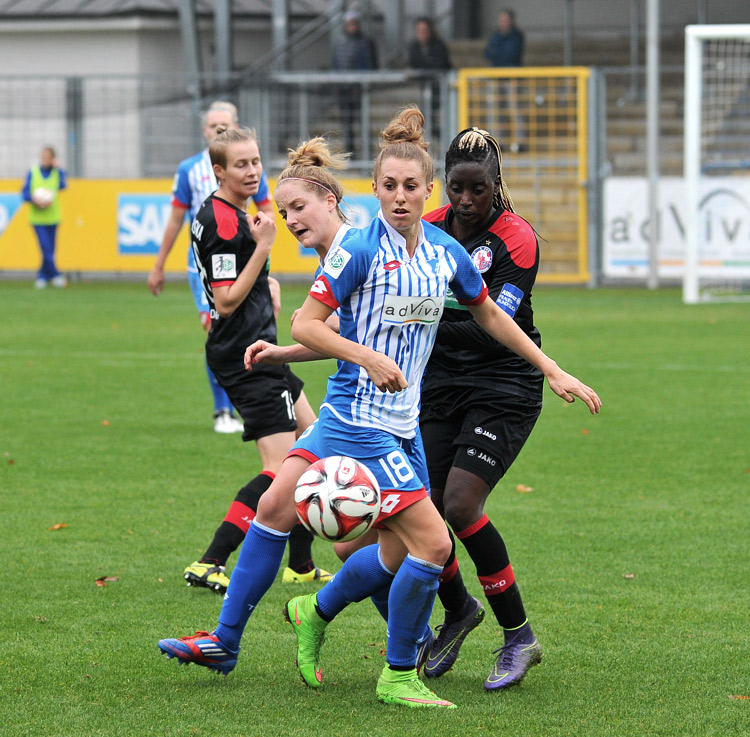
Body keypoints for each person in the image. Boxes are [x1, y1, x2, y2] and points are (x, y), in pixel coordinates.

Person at [157, 107, 601, 710]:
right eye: (388, 186)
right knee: (420, 543)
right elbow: (309, 323)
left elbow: (493, 314)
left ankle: (312, 612)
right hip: (356, 417)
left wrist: (551, 369)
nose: (399, 196)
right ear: (374, 190)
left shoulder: (446, 254)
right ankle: (269, 648)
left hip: (403, 426)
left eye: (410, 187)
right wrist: (364, 358)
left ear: (428, 192)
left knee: (384, 549)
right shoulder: (358, 249)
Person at [417, 127, 547, 691]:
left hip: (504, 384)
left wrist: (422, 314)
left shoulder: (517, 238)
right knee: (423, 510)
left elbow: (497, 330)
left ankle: (518, 636)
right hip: (439, 384)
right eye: (457, 189)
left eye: (478, 189)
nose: (467, 201)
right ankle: (457, 610)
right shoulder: (428, 230)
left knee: (462, 503)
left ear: (497, 185)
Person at [177, 124, 332, 593]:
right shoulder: (224, 220)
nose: (252, 171)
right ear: (218, 171)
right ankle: (210, 560)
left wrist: (267, 289)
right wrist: (263, 248)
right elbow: (224, 300)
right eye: (241, 164)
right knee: (282, 466)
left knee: (314, 445)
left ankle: (300, 565)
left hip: (259, 345)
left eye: (256, 161)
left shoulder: (234, 213)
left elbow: (238, 290)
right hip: (246, 354)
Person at [147, 100, 274, 434]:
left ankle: (249, 404)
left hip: (243, 258)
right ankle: (223, 410)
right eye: (212, 125)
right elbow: (176, 218)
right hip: (206, 264)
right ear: (204, 131)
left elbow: (266, 210)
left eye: (225, 123)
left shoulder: (246, 165)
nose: (218, 128)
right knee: (220, 327)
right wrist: (159, 265)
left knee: (243, 330)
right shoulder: (190, 169)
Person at [331, 9, 378, 155]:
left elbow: (371, 64)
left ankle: (367, 152)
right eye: (350, 24)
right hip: (344, 90)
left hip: (359, 89)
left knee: (362, 121)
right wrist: (337, 84)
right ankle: (352, 154)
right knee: (347, 123)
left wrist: (363, 82)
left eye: (354, 23)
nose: (352, 26)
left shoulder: (365, 43)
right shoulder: (340, 43)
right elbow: (336, 64)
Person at [22, 146, 67, 289]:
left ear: (53, 159)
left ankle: (42, 276)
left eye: (48, 157)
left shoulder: (56, 173)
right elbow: (24, 193)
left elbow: (63, 185)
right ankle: (55, 275)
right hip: (38, 218)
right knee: (46, 248)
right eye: (43, 157)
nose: (45, 160)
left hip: (53, 217)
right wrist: (34, 199)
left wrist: (58, 168)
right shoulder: (33, 172)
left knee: (50, 250)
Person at [484, 10, 526, 152]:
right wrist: (499, 54)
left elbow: (511, 55)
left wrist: (497, 54)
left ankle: (520, 142)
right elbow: (487, 53)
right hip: (496, 77)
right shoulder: (495, 35)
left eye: (506, 19)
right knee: (495, 111)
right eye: (501, 19)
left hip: (511, 78)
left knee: (515, 110)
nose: (503, 22)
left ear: (511, 20)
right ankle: (497, 141)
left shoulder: (517, 36)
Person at [406, 17, 451, 140]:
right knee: (426, 117)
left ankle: (443, 139)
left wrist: (423, 68)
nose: (422, 34)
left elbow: (441, 64)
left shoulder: (439, 46)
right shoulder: (414, 47)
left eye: (424, 30)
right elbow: (413, 63)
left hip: (439, 87)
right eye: (419, 31)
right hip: (425, 87)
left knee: (430, 116)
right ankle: (440, 139)